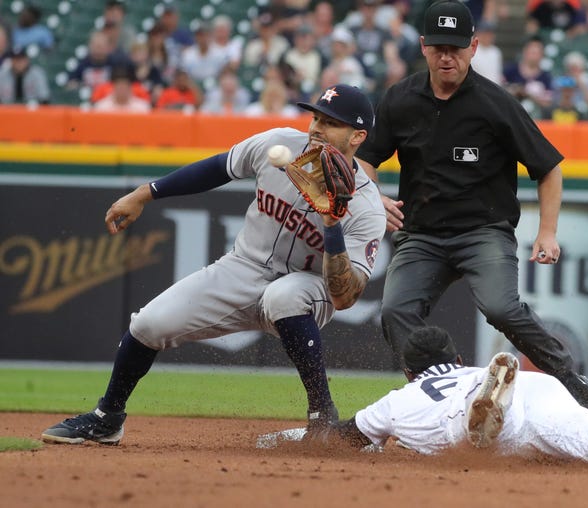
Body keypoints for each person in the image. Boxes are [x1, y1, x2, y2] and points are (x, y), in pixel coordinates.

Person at [40, 84, 386, 445]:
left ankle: (322, 416)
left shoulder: (365, 206)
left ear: (357, 136)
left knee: (284, 296)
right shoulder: (279, 144)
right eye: (316, 117)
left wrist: (332, 225)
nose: (316, 128)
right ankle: (107, 418)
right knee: (147, 324)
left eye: (331, 123)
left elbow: (344, 297)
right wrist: (145, 193)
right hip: (243, 268)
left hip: (307, 285)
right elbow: (220, 167)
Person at [355, 0, 588, 417]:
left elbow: (549, 169)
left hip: (482, 232)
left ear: (474, 47)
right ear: (422, 46)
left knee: (500, 307)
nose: (446, 56)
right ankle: (440, 396)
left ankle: (569, 378)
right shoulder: (400, 99)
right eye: (438, 46)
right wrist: (371, 197)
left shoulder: (495, 103)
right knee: (395, 311)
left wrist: (547, 232)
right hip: (422, 234)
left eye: (455, 47)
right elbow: (365, 158)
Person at [313, 326, 588, 462]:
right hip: (534, 386)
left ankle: (481, 410)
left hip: (477, 421)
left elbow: (344, 439)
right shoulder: (468, 369)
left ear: (408, 373)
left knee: (465, 430)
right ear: (458, 359)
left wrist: (290, 438)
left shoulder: (395, 400)